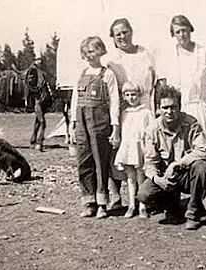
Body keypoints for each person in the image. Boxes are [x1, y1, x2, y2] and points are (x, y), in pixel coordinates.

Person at [137, 84, 206, 230]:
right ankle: (173, 206)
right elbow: (150, 163)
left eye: (173, 107)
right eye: (165, 108)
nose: (169, 112)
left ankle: (193, 212)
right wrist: (159, 180)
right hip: (167, 177)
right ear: (158, 109)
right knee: (144, 194)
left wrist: (177, 164)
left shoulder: (191, 123)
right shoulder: (152, 130)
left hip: (188, 175)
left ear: (180, 106)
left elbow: (202, 151)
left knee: (201, 166)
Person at [105, 18, 157, 211]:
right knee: (118, 154)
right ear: (113, 38)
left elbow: (155, 84)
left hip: (144, 110)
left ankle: (146, 199)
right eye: (117, 34)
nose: (122, 36)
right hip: (121, 111)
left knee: (145, 154)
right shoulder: (111, 60)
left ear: (131, 32)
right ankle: (117, 196)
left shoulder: (145, 54)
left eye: (125, 32)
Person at [70, 36, 120, 219]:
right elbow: (75, 100)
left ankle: (102, 204)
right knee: (84, 160)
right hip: (81, 121)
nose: (88, 55)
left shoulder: (107, 74)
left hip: (100, 122)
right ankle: (88, 202)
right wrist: (72, 125)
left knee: (100, 161)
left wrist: (115, 127)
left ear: (100, 51)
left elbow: (115, 101)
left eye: (92, 51)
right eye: (85, 52)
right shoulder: (82, 73)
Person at [157, 15, 206, 139]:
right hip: (178, 110)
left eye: (184, 30)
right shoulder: (168, 56)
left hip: (202, 108)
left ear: (190, 30)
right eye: (178, 32)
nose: (182, 35)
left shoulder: (205, 53)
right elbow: (162, 86)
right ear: (173, 34)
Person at [114, 82, 154, 218]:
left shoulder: (146, 112)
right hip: (127, 147)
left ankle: (143, 205)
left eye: (134, 95)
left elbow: (151, 131)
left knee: (140, 175)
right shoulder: (124, 113)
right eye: (128, 95)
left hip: (140, 147)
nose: (131, 98)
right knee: (130, 177)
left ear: (139, 95)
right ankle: (131, 204)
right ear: (124, 97)